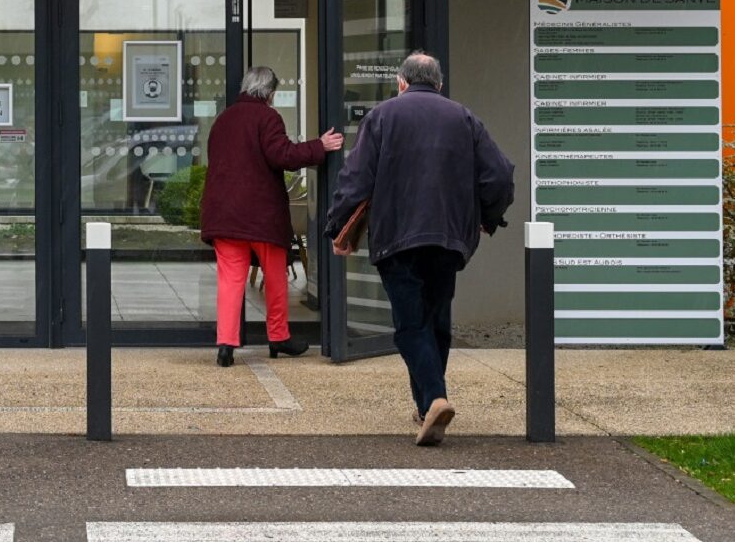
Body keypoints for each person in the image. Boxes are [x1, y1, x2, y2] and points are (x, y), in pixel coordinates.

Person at [327, 51, 514, 446]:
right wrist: (488, 216)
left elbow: (355, 179)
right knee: (437, 321)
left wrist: (335, 225)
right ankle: (425, 405)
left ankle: (434, 398)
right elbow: (499, 175)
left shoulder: (382, 117)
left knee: (411, 325)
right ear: (439, 84)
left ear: (401, 82)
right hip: (449, 238)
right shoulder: (464, 118)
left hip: (397, 237)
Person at [200, 66, 343, 367]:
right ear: (269, 92)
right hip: (261, 215)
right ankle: (278, 337)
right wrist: (320, 146)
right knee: (276, 277)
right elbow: (283, 156)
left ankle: (226, 345)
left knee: (230, 280)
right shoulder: (268, 117)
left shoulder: (223, 119)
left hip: (224, 215)